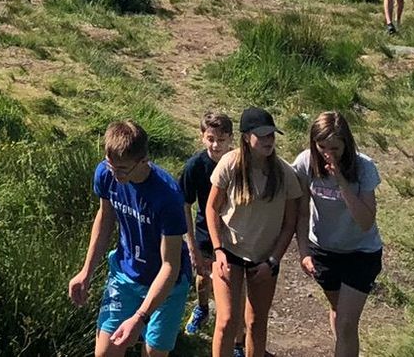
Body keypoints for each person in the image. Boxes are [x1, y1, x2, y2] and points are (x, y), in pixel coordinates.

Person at [69, 119, 194, 357]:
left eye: (122, 169)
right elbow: (105, 220)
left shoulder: (168, 198)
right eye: (111, 165)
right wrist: (86, 271)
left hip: (167, 285)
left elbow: (170, 265)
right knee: (105, 353)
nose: (115, 174)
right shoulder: (106, 173)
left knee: (153, 353)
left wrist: (140, 317)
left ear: (144, 160)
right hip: (125, 274)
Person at [205, 107, 304, 357]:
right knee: (227, 320)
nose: (268, 140)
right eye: (262, 135)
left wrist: (273, 260)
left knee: (256, 322)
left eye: (271, 134)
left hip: (264, 257)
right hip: (229, 251)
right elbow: (211, 208)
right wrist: (218, 250)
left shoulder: (284, 173)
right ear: (246, 137)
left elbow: (290, 223)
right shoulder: (230, 164)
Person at [292, 110, 382, 357]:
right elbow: (301, 213)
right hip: (324, 251)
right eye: (322, 147)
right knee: (338, 313)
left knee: (346, 322)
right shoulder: (305, 163)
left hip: (361, 252)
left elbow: (366, 221)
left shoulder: (363, 167)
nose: (328, 154)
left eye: (335, 148)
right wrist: (304, 252)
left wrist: (341, 181)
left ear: (346, 145)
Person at [180, 109, 234, 343]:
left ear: (231, 138)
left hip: (234, 232)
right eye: (210, 139)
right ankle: (202, 307)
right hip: (205, 230)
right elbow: (184, 204)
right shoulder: (195, 166)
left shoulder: (238, 162)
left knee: (231, 279)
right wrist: (191, 245)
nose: (215, 145)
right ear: (202, 136)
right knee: (203, 274)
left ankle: (234, 330)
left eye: (221, 140)